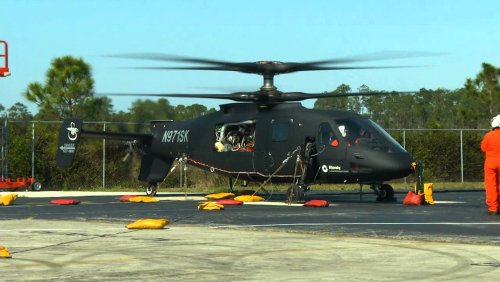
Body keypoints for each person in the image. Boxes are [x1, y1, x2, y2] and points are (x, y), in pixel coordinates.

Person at [480, 115, 500, 215]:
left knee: (491, 185)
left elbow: (483, 148)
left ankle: (493, 208)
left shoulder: (489, 135)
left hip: (491, 162)